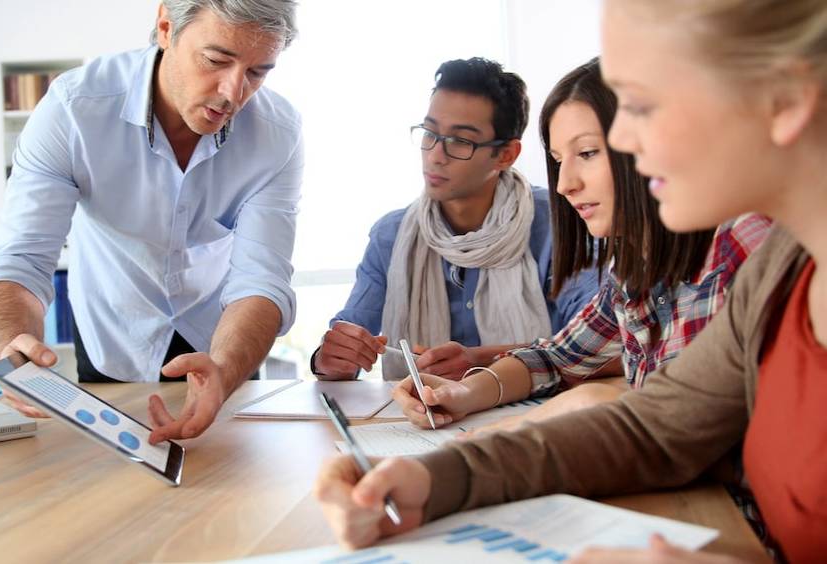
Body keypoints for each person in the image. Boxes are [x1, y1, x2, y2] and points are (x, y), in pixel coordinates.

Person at [315, 0, 827, 561]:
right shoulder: (783, 266)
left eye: (642, 104)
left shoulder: (747, 247)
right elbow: (655, 430)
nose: (625, 140)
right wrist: (434, 479)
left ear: (785, 98)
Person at [0, 0, 302, 442]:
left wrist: (224, 371)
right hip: (113, 339)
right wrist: (10, 343)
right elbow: (21, 259)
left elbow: (261, 280)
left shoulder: (278, 133)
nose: (232, 92)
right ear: (166, 27)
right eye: (216, 60)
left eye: (258, 72)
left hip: (222, 343)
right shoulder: (75, 110)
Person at [393, 59, 770, 432]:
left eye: (587, 153)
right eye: (558, 161)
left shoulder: (740, 243)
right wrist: (466, 392)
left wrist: (529, 424)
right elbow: (558, 357)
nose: (564, 184)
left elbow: (698, 428)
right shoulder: (633, 267)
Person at [311, 58, 600, 382]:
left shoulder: (558, 224)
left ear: (506, 155)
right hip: (418, 422)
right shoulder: (391, 237)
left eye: (460, 141)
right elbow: (345, 347)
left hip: (538, 419)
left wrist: (484, 363)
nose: (436, 154)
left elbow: (597, 347)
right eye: (430, 133)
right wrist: (330, 357)